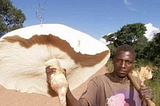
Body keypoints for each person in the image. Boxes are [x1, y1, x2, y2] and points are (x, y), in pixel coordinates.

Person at [46, 44, 153, 106]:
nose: (123, 66)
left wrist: (149, 99)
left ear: (133, 65)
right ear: (113, 61)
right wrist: (66, 88)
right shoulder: (98, 82)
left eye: (128, 62)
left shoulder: (137, 83)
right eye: (119, 61)